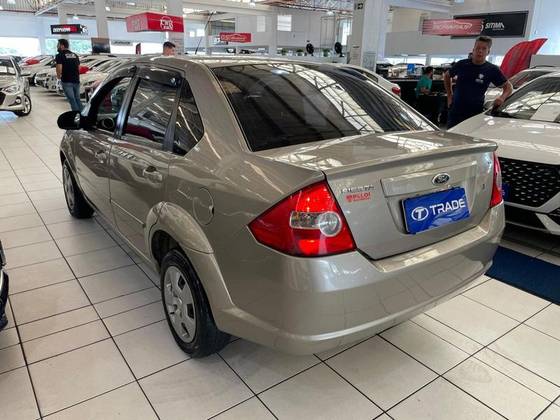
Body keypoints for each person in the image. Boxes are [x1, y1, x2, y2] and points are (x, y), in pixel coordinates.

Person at [444, 36, 512, 129]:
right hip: (455, 111)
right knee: (451, 136)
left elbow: (508, 87)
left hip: (475, 113)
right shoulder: (462, 64)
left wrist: (502, 98)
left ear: (488, 52)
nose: (480, 51)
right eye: (478, 48)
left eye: (484, 49)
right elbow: (447, 75)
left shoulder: (492, 69)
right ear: (473, 50)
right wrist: (449, 95)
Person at [55, 39, 82, 112]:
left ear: (62, 46)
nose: (57, 46)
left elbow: (59, 68)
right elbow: (78, 68)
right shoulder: (75, 55)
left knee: (72, 100)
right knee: (77, 99)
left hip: (66, 81)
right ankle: (83, 115)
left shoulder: (59, 55)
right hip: (76, 80)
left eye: (58, 45)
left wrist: (58, 78)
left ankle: (76, 116)